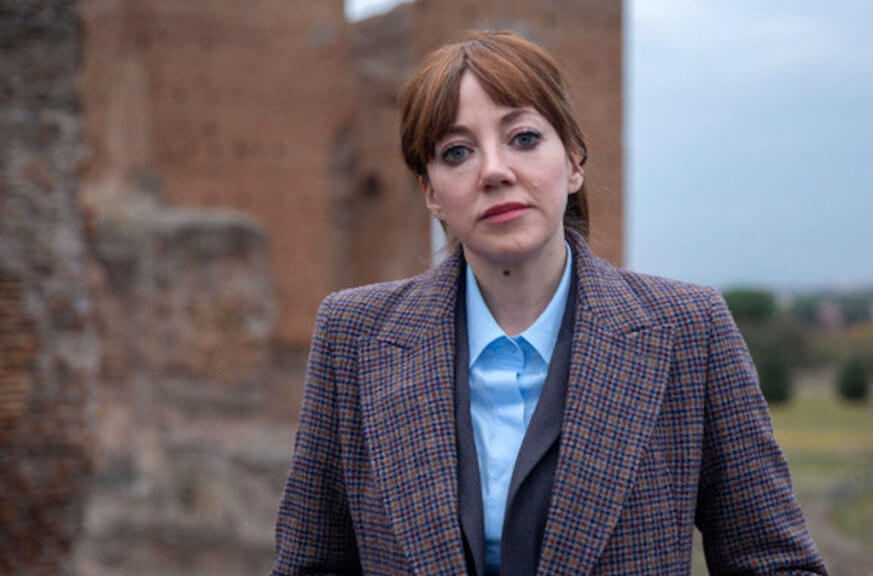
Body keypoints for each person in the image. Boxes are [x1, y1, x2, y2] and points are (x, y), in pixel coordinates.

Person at [270, 30, 828, 576]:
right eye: (458, 152)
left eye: (525, 138)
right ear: (432, 193)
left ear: (575, 162)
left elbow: (776, 563)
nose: (494, 171)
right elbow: (310, 565)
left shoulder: (690, 330)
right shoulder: (353, 335)